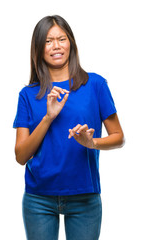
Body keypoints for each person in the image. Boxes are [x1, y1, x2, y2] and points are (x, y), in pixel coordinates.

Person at [13, 15, 124, 240]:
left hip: (85, 197)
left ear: (70, 42)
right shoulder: (27, 94)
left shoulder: (95, 84)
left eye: (61, 39)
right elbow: (21, 155)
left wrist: (91, 142)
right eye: (48, 41)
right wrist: (48, 117)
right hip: (38, 199)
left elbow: (118, 137)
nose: (56, 46)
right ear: (38, 49)